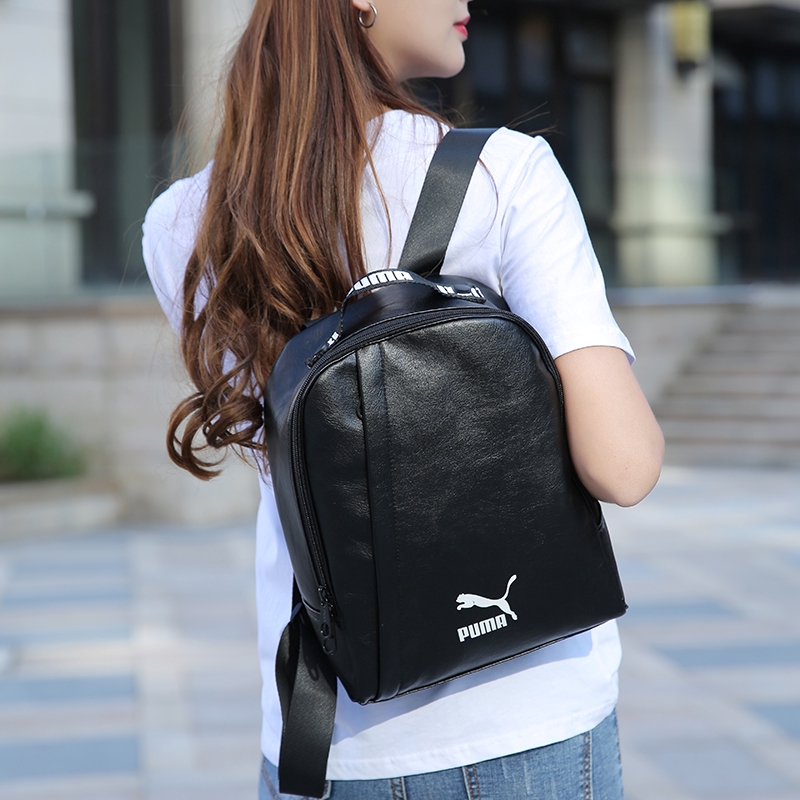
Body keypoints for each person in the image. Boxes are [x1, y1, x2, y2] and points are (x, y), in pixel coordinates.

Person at [142, 0, 665, 797]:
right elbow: (623, 466)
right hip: (527, 723)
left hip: (325, 735)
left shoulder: (185, 222)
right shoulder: (504, 173)